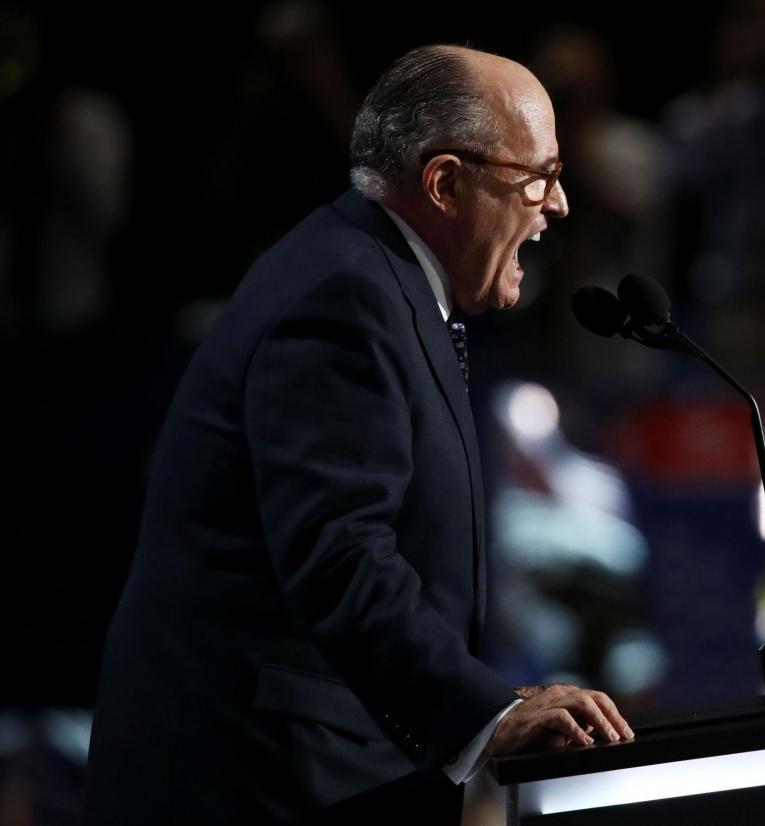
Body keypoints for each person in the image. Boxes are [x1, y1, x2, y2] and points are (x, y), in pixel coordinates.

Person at [84, 45, 632, 825]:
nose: (559, 204)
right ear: (446, 183)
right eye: (538, 176)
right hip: (262, 780)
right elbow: (337, 552)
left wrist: (484, 700)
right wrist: (486, 715)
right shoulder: (344, 295)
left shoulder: (373, 275)